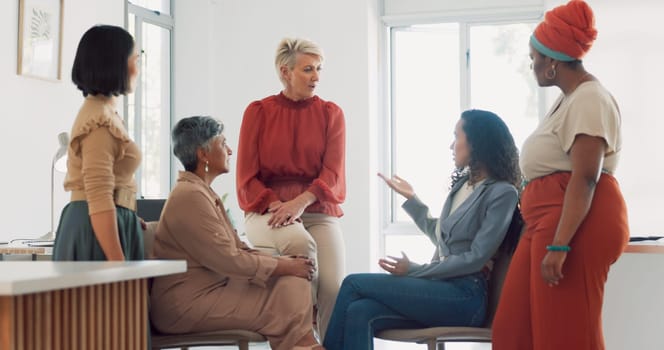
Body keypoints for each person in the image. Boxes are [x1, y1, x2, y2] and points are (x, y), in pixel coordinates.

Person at [492, 1, 629, 349]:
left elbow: (585, 177)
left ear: (552, 60)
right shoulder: (568, 99)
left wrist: (560, 243)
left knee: (566, 336)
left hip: (573, 220)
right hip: (545, 218)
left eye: (534, 55)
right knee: (513, 332)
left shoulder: (590, 98)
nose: (532, 63)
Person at [323, 110, 520, 350]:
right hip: (441, 291)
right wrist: (412, 200)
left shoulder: (502, 192)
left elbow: (476, 258)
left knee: (353, 284)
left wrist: (415, 270)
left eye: (456, 136)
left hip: (465, 297)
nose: (451, 145)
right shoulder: (462, 186)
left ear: (476, 142)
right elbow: (441, 234)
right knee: (359, 310)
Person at [150, 116, 323, 350]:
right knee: (288, 285)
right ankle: (304, 345)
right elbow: (228, 259)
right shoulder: (190, 196)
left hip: (213, 288)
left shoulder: (201, 192)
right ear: (204, 154)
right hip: (185, 304)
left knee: (293, 281)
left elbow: (238, 249)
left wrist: (284, 263)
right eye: (223, 144)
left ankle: (304, 344)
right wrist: (283, 266)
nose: (230, 150)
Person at [236, 37, 346, 339]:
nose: (316, 77)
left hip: (317, 208)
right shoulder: (258, 112)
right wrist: (278, 205)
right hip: (266, 210)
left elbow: (333, 173)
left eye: (319, 69)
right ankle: (301, 340)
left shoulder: (331, 114)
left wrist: (298, 203)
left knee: (333, 286)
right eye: (308, 69)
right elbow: (247, 175)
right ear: (285, 72)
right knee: (302, 250)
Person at [53, 25, 143, 261]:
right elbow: (99, 195)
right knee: (107, 299)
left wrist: (128, 213)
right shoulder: (99, 122)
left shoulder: (106, 113)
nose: (139, 68)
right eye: (136, 59)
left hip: (108, 222)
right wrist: (118, 264)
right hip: (96, 230)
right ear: (115, 64)